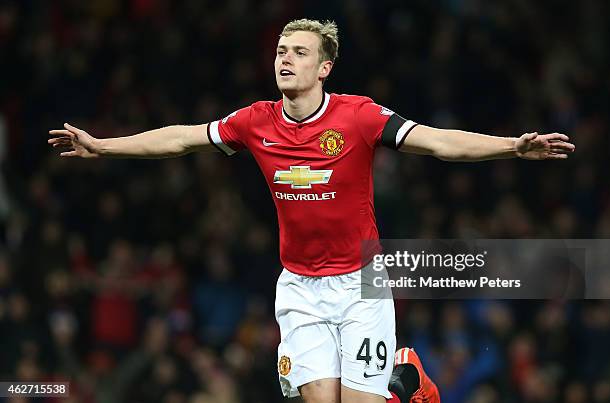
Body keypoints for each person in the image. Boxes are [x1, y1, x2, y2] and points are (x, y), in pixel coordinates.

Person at [49, 18, 574, 403]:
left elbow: (437, 142)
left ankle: (405, 377)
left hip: (360, 284)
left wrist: (510, 147)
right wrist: (105, 146)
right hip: (300, 287)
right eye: (280, 49)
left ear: (323, 67)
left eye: (299, 52)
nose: (284, 58)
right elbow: (182, 139)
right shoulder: (254, 122)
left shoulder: (359, 116)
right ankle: (398, 377)